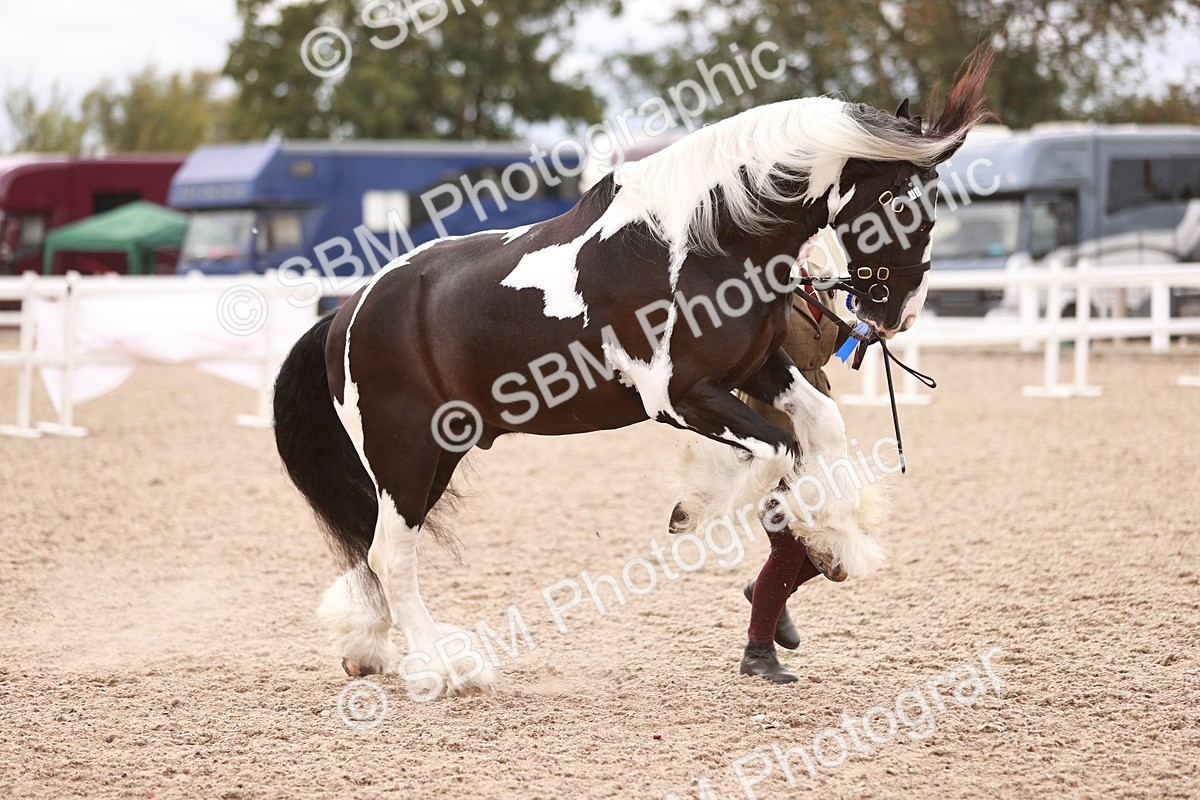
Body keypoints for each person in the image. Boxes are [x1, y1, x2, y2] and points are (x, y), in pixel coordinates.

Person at [736, 244, 850, 684]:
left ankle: (766, 593)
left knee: (841, 548)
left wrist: (861, 333)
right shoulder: (758, 280)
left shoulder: (818, 275)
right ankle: (757, 652)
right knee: (789, 546)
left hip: (819, 427)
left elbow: (823, 346)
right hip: (768, 429)